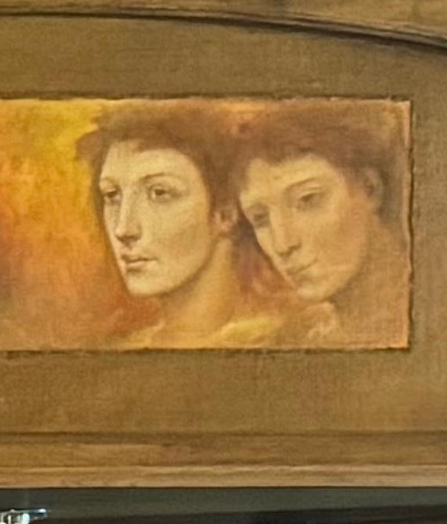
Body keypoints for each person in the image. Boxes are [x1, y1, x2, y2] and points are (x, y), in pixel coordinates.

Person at [81, 108, 304, 347]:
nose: (123, 229)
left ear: (225, 214)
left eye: (160, 193)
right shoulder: (123, 350)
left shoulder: (289, 341)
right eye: (112, 195)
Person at [234, 109, 410, 349]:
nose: (283, 244)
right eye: (260, 219)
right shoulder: (292, 340)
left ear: (370, 188)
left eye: (308, 199)